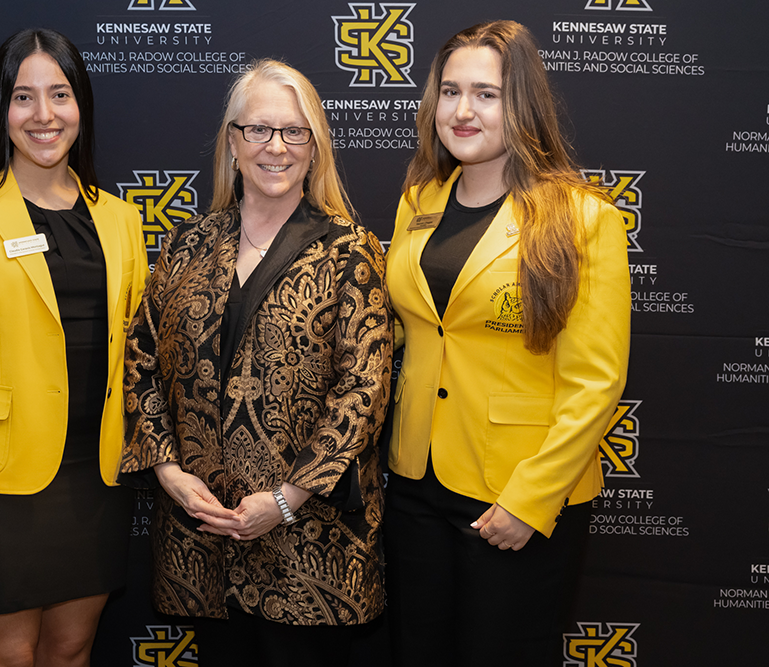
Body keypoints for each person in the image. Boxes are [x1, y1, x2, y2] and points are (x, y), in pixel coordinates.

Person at [120, 60, 393, 667]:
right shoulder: (188, 245)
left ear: (315, 147)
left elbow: (364, 391)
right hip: (203, 539)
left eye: (294, 132)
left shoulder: (350, 251)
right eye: (259, 130)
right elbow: (139, 359)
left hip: (309, 548)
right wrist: (167, 471)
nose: (276, 147)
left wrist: (288, 498)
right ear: (233, 143)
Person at [383, 20, 631, 666]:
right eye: (451, 91)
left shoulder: (583, 219)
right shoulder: (419, 202)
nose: (463, 110)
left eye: (486, 94)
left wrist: (531, 499)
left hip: (515, 497)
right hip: (415, 483)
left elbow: (595, 383)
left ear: (521, 103)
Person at [0, 28, 147, 667]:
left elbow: (138, 353)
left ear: (82, 106)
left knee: (70, 651)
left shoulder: (121, 219)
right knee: (8, 656)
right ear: (1, 110)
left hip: (96, 479)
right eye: (23, 97)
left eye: (60, 94)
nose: (44, 115)